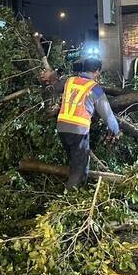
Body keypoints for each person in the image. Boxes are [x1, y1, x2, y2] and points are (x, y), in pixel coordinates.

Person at [46, 57, 120, 189]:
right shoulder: (95, 88)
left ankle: (80, 190)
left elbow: (53, 88)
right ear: (97, 71)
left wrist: (51, 76)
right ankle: (69, 199)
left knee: (77, 162)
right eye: (98, 73)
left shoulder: (69, 81)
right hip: (78, 131)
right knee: (79, 169)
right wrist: (115, 130)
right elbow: (107, 113)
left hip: (62, 128)